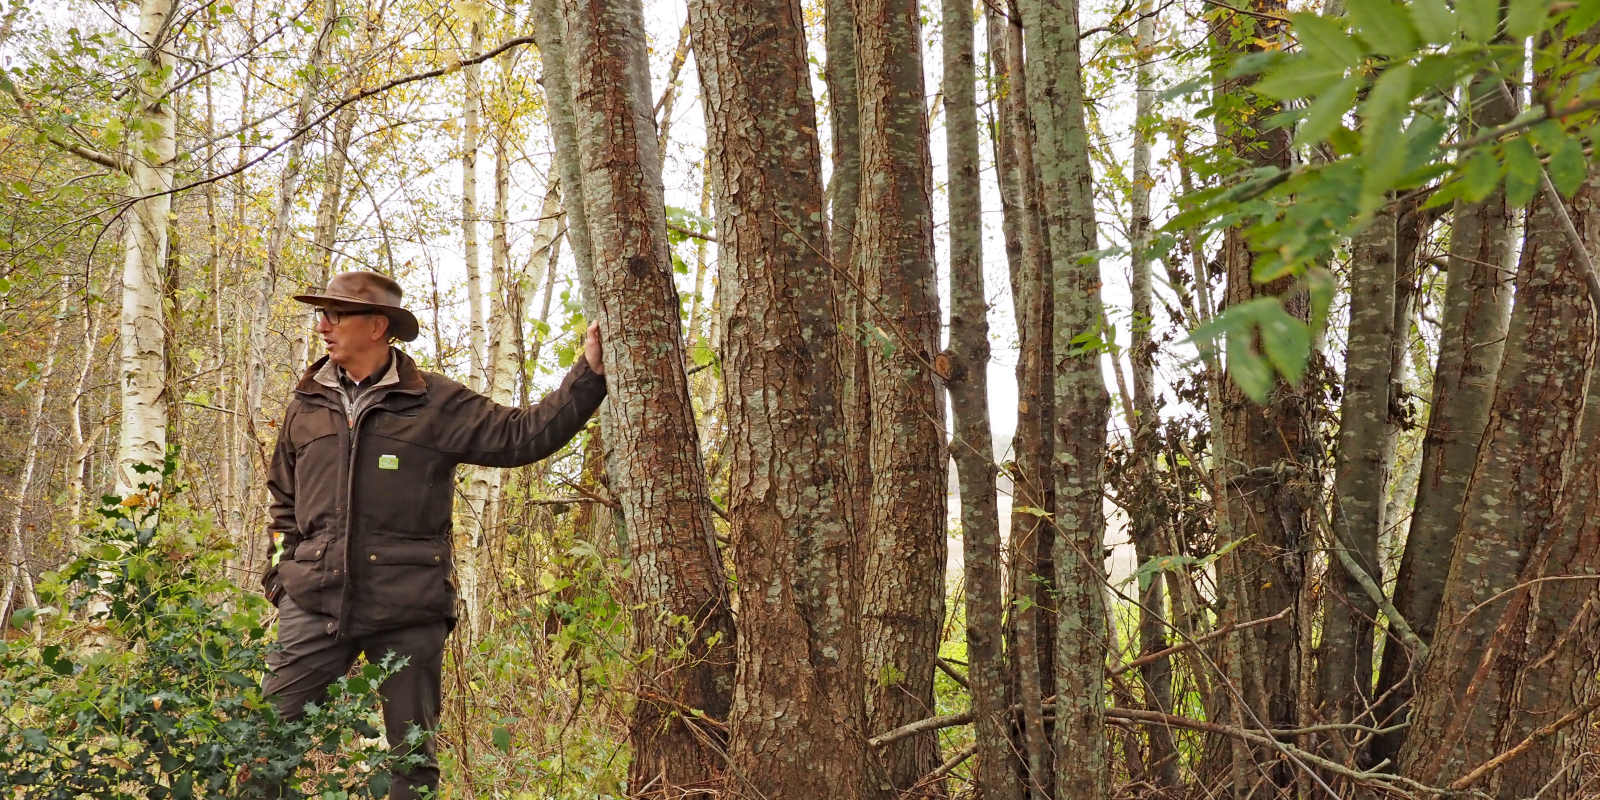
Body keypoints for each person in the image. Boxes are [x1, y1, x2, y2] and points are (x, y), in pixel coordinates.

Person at [259, 271, 606, 798]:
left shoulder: (434, 402)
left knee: (412, 766)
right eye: (320, 314)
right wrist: (281, 578)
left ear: (377, 326)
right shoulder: (306, 404)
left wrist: (589, 375)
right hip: (312, 602)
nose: (323, 325)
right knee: (264, 747)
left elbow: (521, 435)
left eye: (335, 315)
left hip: (408, 608)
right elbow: (283, 500)